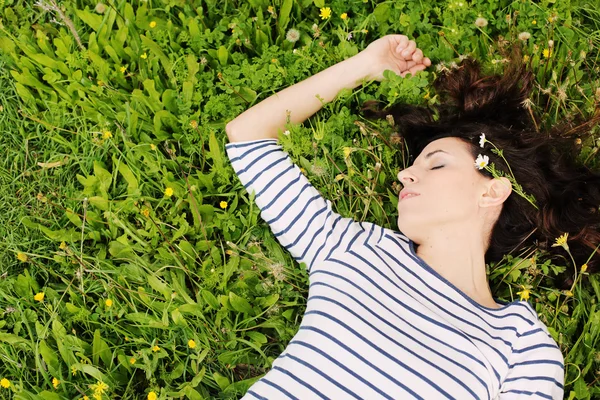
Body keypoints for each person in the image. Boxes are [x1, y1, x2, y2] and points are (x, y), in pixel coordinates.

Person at [224, 34, 599, 399]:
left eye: (436, 164)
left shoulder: (520, 344)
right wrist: (365, 65)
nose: (405, 175)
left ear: (492, 190)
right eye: (411, 168)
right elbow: (248, 135)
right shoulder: (356, 247)